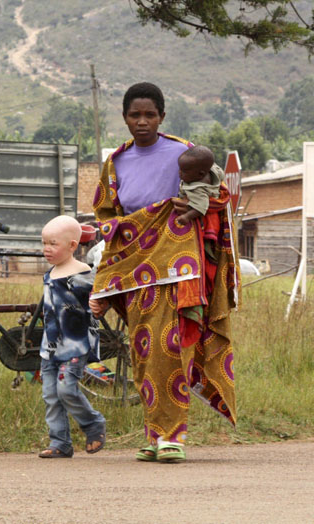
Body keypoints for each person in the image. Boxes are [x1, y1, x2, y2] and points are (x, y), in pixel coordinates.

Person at [89, 82, 239, 463]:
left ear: (162, 117)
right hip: (134, 266)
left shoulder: (186, 154)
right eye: (134, 115)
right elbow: (106, 213)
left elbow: (217, 194)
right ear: (124, 118)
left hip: (177, 264)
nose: (142, 122)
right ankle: (155, 433)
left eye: (149, 114)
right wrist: (127, 227)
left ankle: (172, 436)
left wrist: (186, 208)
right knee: (142, 349)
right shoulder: (115, 162)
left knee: (167, 344)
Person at [37, 215, 106, 459]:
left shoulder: (83, 276)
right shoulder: (50, 274)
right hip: (50, 347)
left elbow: (96, 306)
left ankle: (93, 424)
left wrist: (92, 344)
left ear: (72, 246)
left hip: (74, 346)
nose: (47, 249)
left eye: (53, 243)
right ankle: (60, 442)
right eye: (44, 243)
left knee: (66, 389)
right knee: (51, 396)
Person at [176, 145, 220, 226]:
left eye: (184, 171)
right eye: (180, 169)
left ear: (200, 174)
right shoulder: (212, 170)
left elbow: (201, 208)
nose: (179, 173)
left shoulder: (197, 190)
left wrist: (186, 217)